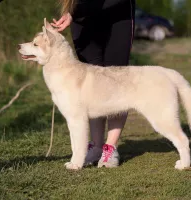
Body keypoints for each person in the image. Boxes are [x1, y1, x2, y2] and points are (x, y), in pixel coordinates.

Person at [51, 0, 135, 168]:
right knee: (91, 86)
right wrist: (71, 13)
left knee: (117, 82)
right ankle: (96, 147)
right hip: (82, 18)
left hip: (119, 15)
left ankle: (110, 147)